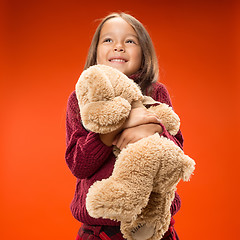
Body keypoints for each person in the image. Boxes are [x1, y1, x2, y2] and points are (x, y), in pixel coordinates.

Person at [65, 12, 184, 240]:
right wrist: (118, 126)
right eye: (108, 40)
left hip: (153, 226)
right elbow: (79, 165)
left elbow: (176, 155)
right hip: (100, 230)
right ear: (96, 52)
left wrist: (156, 129)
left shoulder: (156, 92)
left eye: (130, 41)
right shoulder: (79, 100)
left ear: (144, 53)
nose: (118, 47)